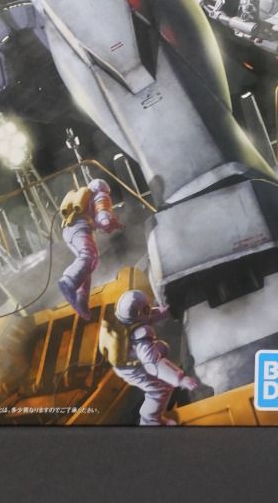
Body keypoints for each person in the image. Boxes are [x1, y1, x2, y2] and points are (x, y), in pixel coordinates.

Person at [100, 289, 199, 426]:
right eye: (147, 308)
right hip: (132, 369)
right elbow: (153, 365)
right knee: (160, 389)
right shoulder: (140, 335)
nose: (150, 309)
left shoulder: (123, 319)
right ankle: (149, 420)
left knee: (162, 349)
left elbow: (147, 316)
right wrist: (179, 379)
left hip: (131, 357)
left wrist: (164, 311)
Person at [58, 178, 121, 320]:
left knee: (88, 265)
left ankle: (81, 299)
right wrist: (109, 223)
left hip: (68, 231)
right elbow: (102, 216)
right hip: (80, 228)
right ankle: (68, 282)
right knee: (89, 256)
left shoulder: (84, 199)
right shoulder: (100, 195)